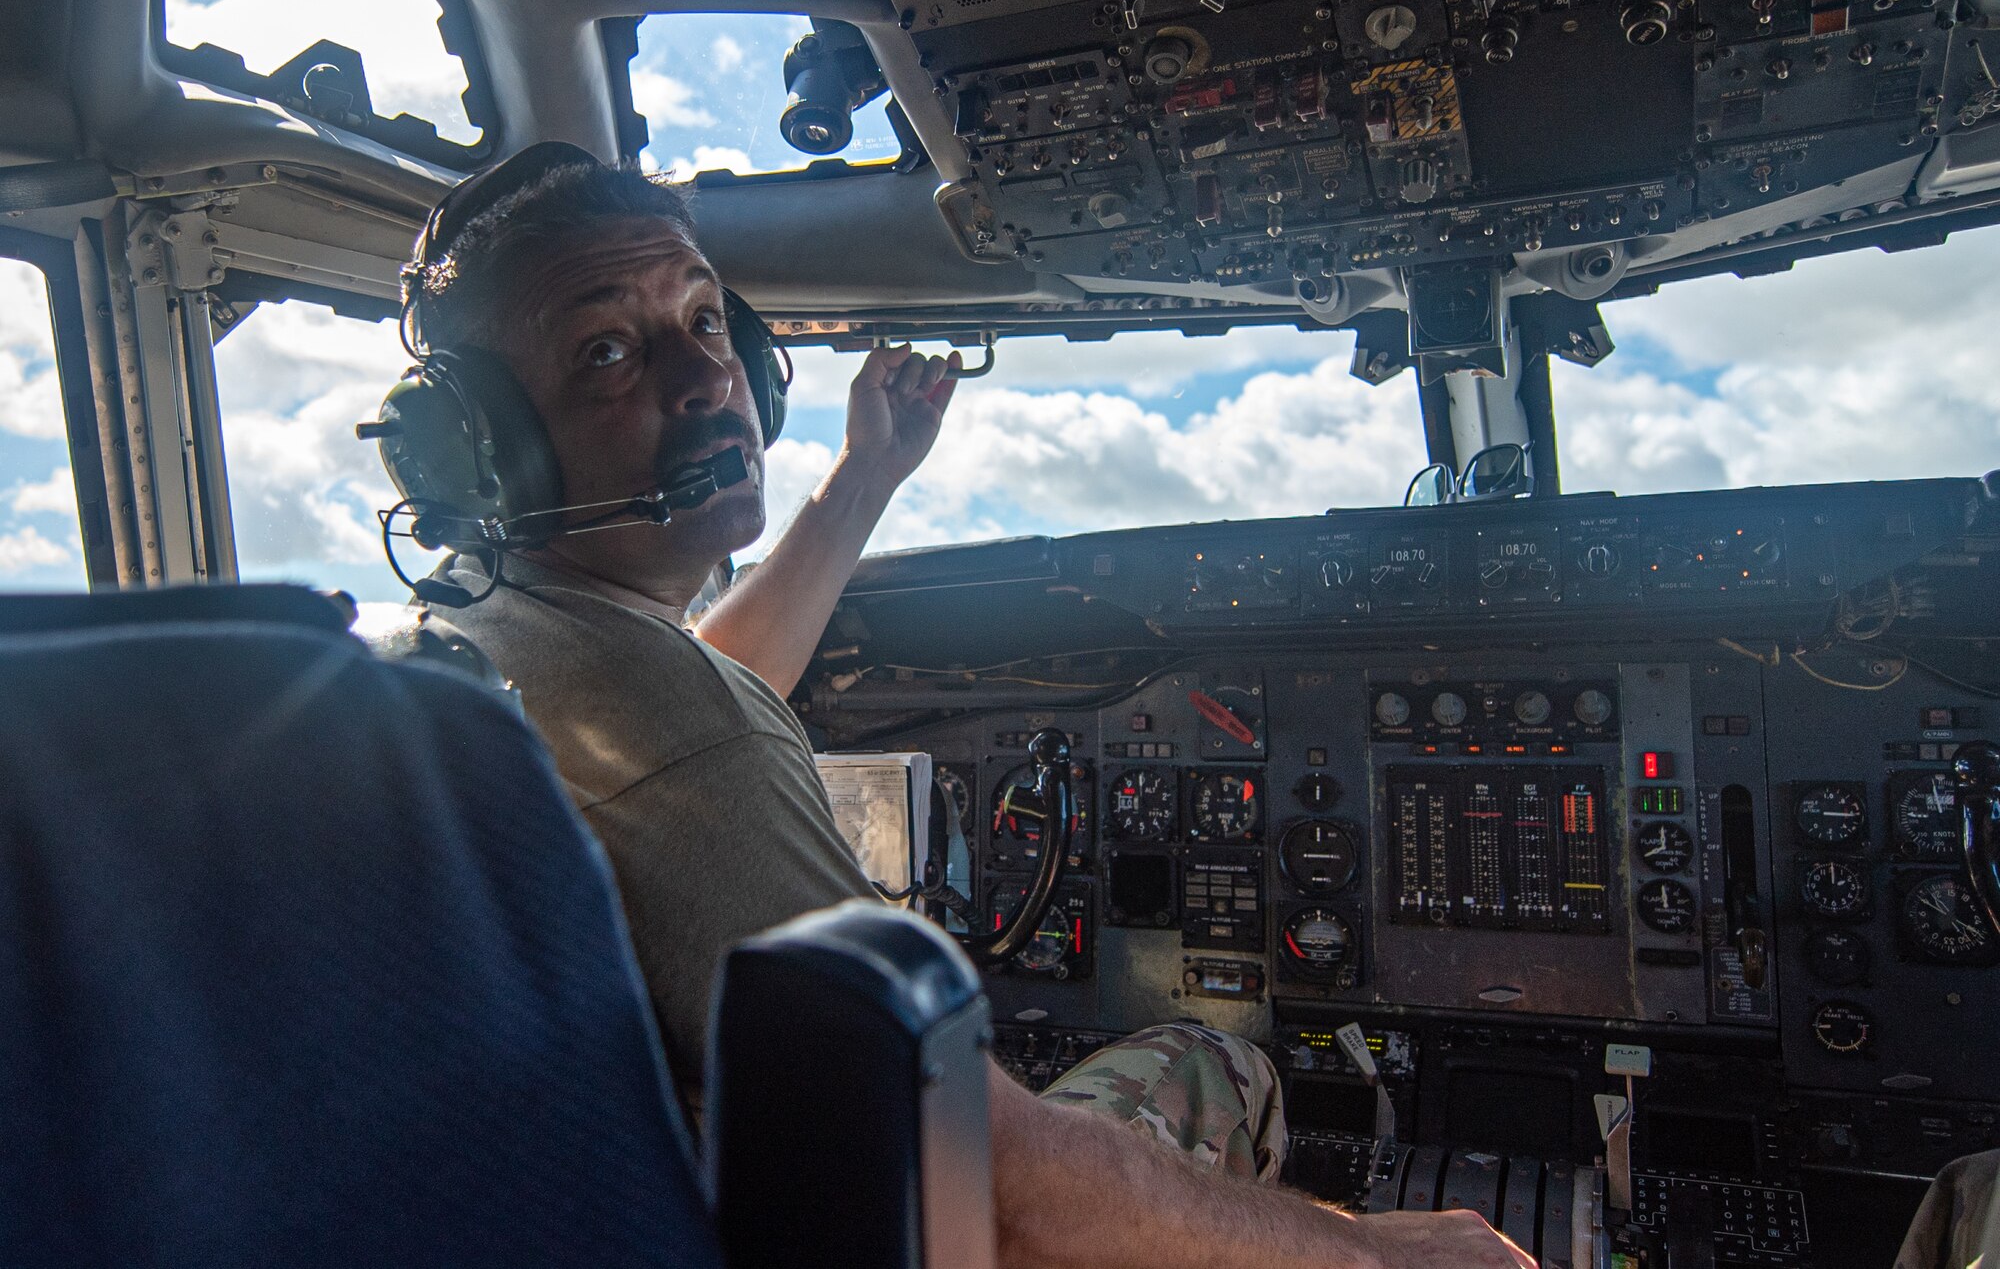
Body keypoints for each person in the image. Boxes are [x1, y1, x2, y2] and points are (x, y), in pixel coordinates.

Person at [396, 144, 1534, 1269]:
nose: (703, 381)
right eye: (607, 352)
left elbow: (706, 681)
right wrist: (1369, 1253)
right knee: (1208, 1060)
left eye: (704, 322)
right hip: (879, 1222)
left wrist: (867, 475)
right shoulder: (678, 730)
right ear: (478, 449)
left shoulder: (488, 637)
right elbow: (1002, 1197)